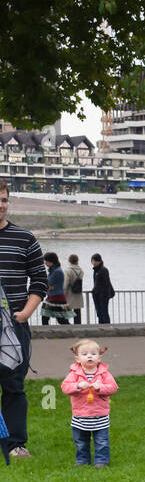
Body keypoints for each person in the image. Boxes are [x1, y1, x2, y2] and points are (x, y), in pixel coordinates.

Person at [0, 179, 48, 463]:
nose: (0, 205)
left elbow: (40, 282)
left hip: (15, 326)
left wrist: (25, 314)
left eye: (4, 199)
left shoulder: (25, 239)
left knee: (13, 386)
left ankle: (15, 444)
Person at [60, 339, 117, 467]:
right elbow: (65, 387)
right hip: (80, 414)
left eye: (93, 354)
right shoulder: (74, 374)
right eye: (84, 354)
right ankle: (82, 460)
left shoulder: (104, 374)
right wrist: (78, 385)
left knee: (102, 441)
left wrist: (100, 387)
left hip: (100, 414)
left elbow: (113, 387)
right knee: (80, 441)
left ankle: (101, 460)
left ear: (99, 357)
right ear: (77, 359)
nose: (89, 356)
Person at [41, 253, 72, 325]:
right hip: (52, 297)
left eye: (47, 261)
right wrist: (49, 286)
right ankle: (46, 332)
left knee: (61, 319)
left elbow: (48, 282)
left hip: (57, 298)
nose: (45, 263)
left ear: (52, 261)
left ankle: (70, 332)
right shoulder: (53, 270)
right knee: (45, 316)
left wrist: (49, 285)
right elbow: (49, 284)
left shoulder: (57, 271)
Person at [90, 254, 114, 324]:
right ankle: (100, 327)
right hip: (97, 295)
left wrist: (106, 294)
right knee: (99, 313)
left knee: (104, 313)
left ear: (99, 261)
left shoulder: (104, 270)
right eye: (92, 261)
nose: (93, 262)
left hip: (103, 295)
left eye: (95, 261)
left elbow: (107, 283)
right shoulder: (95, 270)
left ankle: (107, 328)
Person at [65, 253, 84, 325]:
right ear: (77, 260)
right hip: (78, 293)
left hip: (69, 294)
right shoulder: (81, 271)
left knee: (66, 311)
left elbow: (65, 284)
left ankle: (67, 326)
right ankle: (78, 326)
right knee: (77, 311)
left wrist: (63, 293)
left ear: (69, 260)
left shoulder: (68, 270)